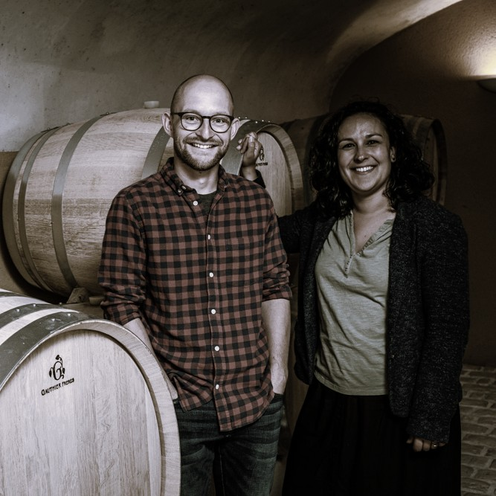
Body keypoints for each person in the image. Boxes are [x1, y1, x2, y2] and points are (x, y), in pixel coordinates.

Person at [241, 100, 469, 495]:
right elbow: (267, 233)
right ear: (336, 158)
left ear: (393, 151)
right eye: (348, 145)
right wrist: (249, 174)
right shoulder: (325, 217)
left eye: (372, 142)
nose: (360, 154)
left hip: (397, 407)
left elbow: (448, 329)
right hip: (328, 401)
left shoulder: (433, 226)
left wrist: (431, 416)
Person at [98, 74, 291, 496]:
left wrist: (278, 374)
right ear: (169, 123)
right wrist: (162, 387)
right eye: (192, 118)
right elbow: (121, 302)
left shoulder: (255, 201)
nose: (205, 132)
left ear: (232, 128)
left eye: (218, 120)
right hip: (180, 405)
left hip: (255, 401)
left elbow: (275, 286)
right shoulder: (134, 204)